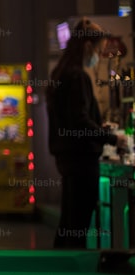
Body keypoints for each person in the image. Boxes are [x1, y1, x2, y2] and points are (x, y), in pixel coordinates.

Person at [47, 18, 125, 249]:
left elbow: (74, 121)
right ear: (89, 47)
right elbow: (80, 122)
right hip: (81, 161)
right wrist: (113, 138)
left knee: (68, 222)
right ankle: (75, 270)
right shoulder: (77, 76)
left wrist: (98, 129)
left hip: (67, 159)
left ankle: (62, 269)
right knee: (78, 224)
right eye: (100, 50)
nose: (100, 56)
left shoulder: (60, 73)